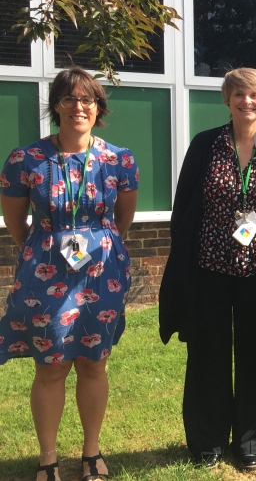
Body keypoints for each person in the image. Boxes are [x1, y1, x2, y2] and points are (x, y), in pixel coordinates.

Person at [158, 68, 256, 471]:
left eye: (254, 94)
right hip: (210, 267)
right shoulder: (206, 144)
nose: (247, 101)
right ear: (227, 99)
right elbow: (184, 205)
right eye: (238, 94)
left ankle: (249, 439)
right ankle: (207, 439)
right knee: (207, 353)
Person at [0, 67, 139, 481]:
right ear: (56, 105)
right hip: (45, 274)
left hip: (103, 273)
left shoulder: (119, 159)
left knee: (94, 363)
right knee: (51, 366)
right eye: (69, 98)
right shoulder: (25, 159)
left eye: (87, 99)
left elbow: (122, 220)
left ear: (98, 107)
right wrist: (45, 246)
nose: (79, 107)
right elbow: (15, 222)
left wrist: (100, 245)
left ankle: (91, 452)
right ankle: (48, 458)